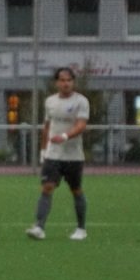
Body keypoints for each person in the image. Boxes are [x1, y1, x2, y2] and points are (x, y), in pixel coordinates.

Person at [27, 66, 90, 241]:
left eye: (69, 80)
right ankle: (39, 227)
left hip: (73, 156)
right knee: (47, 187)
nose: (66, 83)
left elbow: (81, 125)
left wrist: (65, 136)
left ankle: (81, 229)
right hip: (53, 155)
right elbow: (47, 126)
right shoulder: (50, 102)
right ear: (56, 83)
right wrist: (43, 149)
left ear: (73, 82)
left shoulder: (81, 101)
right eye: (62, 80)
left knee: (76, 190)